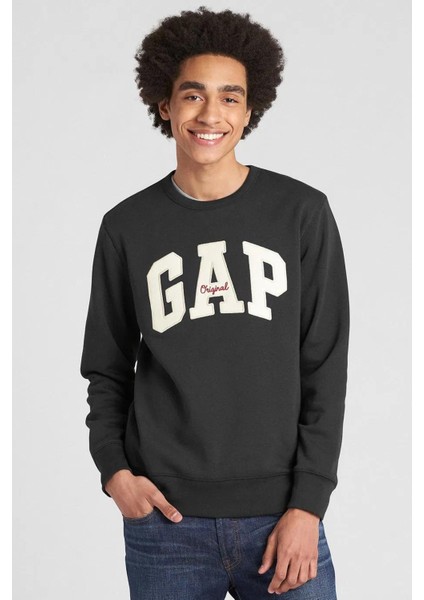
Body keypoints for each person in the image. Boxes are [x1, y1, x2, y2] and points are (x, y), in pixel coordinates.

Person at [80, 6, 350, 599]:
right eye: (193, 95)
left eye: (231, 97)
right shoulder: (127, 226)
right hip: (164, 525)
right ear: (165, 104)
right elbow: (106, 366)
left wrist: (309, 504)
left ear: (250, 111)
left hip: (282, 518)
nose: (210, 114)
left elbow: (324, 367)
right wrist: (115, 473)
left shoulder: (301, 213)